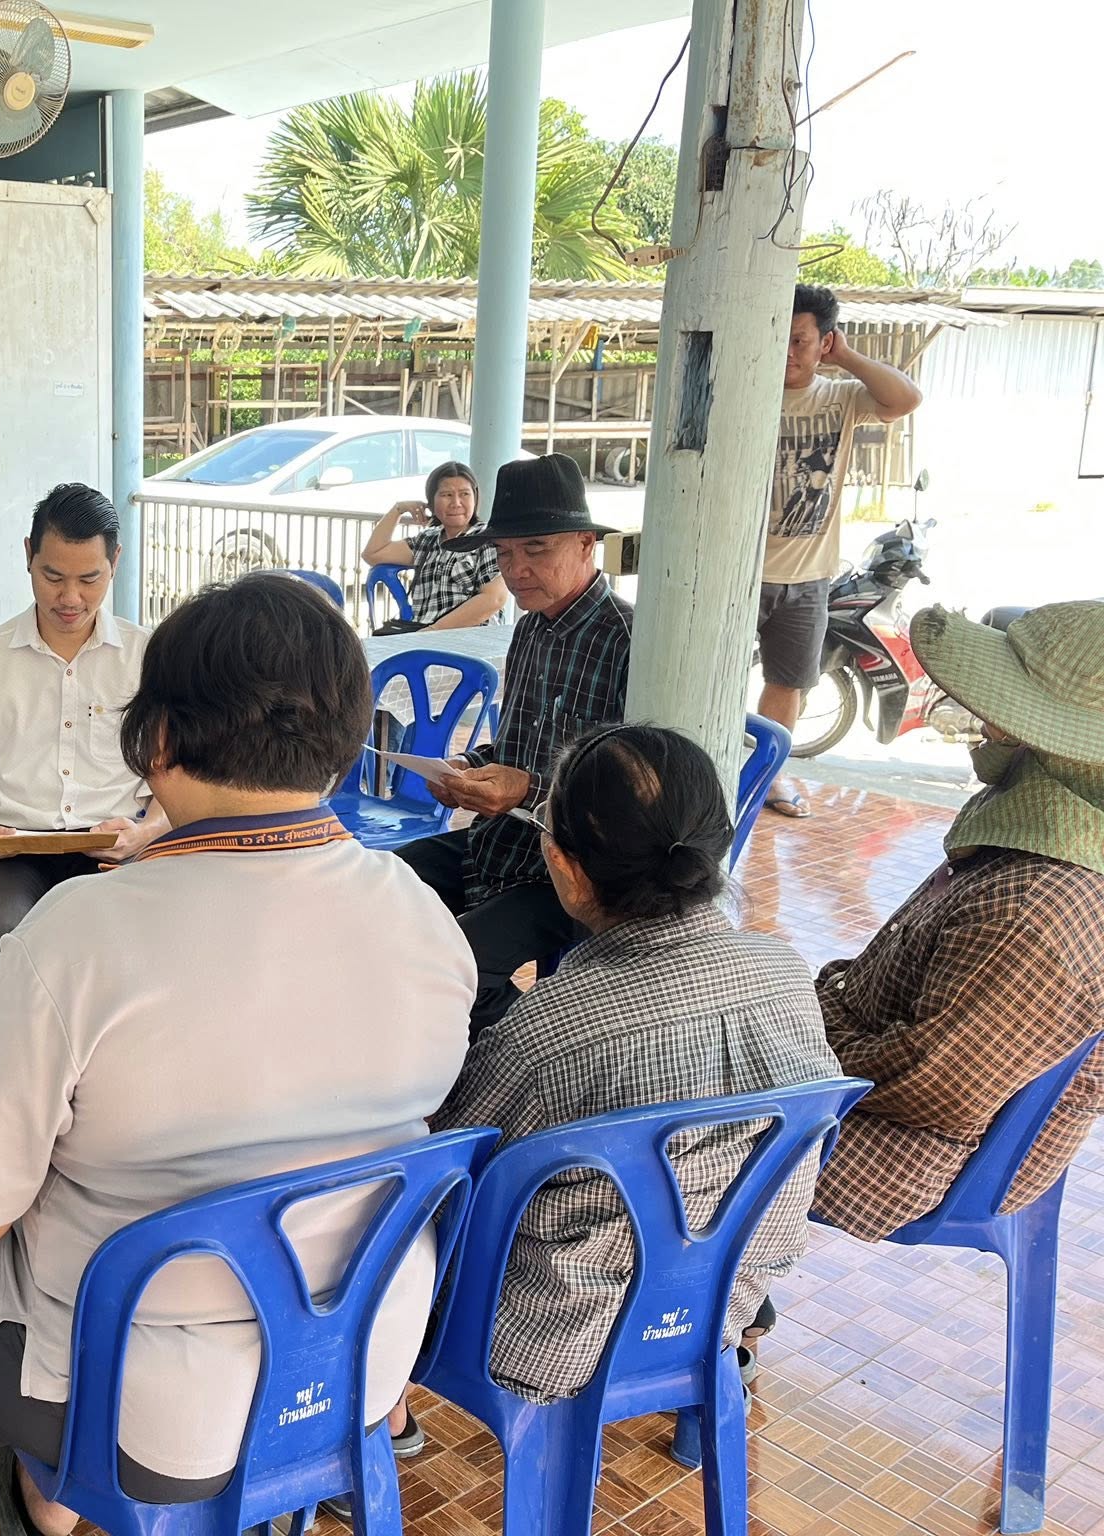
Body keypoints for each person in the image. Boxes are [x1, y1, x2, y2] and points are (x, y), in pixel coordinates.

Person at [0, 574, 475, 1526]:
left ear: (158, 741)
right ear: (350, 742)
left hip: (155, 1420)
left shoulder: (77, 937)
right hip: (362, 1367)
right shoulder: (423, 916)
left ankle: (49, 1491)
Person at [425, 724, 841, 1413]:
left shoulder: (550, 1032)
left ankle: (385, 1416)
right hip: (719, 1308)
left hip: (548, 1340)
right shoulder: (786, 974)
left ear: (564, 866)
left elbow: (446, 1176)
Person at [812, 600, 1104, 1238]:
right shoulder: (1026, 861)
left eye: (1002, 711)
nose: (984, 721)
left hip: (903, 1155)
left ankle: (710, 1290)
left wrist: (800, 1035)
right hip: (886, 1096)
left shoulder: (1036, 906)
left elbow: (936, 1087)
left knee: (642, 1097)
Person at [0, 483, 168, 1045]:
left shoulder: (149, 658)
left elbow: (177, 776)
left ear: (115, 562)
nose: (70, 597)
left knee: (140, 940)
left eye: (89, 579)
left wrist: (146, 832)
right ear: (28, 555)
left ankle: (121, 1077)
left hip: (118, 848)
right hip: (12, 852)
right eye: (53, 576)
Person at [396, 453, 633, 1036]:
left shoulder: (629, 641)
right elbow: (514, 745)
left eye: (536, 549)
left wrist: (527, 790)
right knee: (379, 887)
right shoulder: (529, 629)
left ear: (586, 544)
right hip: (499, 844)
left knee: (459, 968)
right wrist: (464, 767)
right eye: (504, 554)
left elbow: (630, 797)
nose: (517, 569)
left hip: (573, 873)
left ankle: (528, 1058)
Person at [757, 283, 923, 817]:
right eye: (780, 337)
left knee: (788, 684)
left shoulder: (841, 397)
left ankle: (766, 777)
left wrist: (846, 357)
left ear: (824, 343)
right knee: (713, 678)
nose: (787, 351)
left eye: (800, 340)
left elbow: (906, 399)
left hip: (809, 576)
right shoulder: (749, 391)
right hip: (741, 575)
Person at [358, 459, 509, 631]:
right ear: (431, 501)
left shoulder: (486, 538)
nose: (456, 503)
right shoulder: (427, 540)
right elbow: (372, 553)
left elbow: (494, 599)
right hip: (422, 631)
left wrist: (433, 631)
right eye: (447, 495)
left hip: (469, 637)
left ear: (475, 498)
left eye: (464, 494)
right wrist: (398, 509)